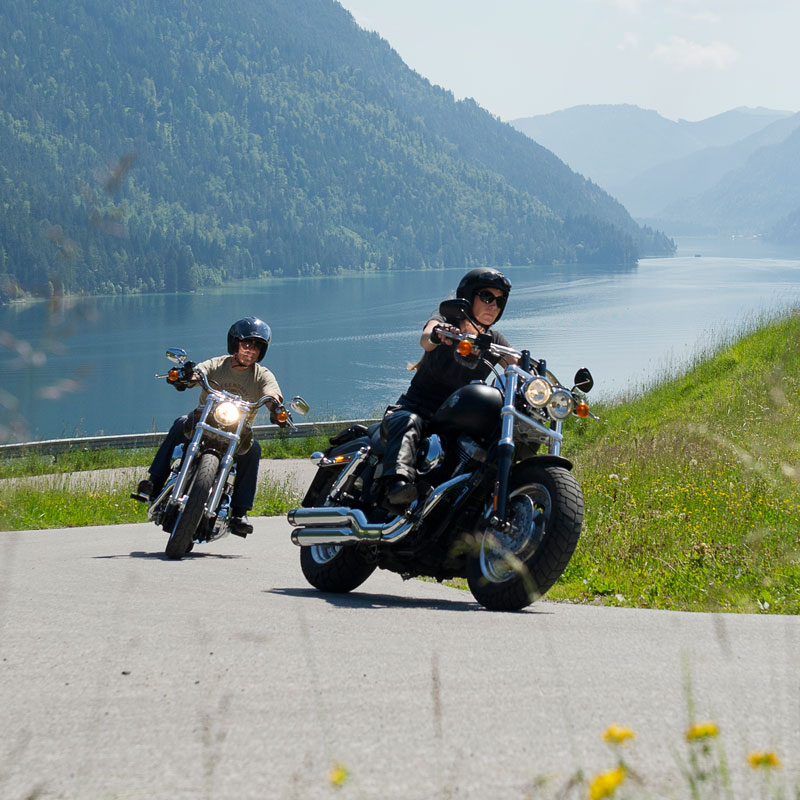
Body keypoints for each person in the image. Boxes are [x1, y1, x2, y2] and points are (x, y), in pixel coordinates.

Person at [379, 268, 515, 509]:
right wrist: (437, 335)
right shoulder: (445, 322)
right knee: (408, 420)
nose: (494, 305)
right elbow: (426, 338)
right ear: (468, 296)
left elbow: (517, 364)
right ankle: (396, 485)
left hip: (457, 420)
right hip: (418, 408)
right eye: (486, 297)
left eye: (499, 300)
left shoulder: (494, 341)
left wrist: (542, 381)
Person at [135, 316, 283, 536]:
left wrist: (275, 406)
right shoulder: (218, 364)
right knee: (180, 423)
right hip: (204, 421)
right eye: (247, 344)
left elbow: (272, 393)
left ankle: (239, 512)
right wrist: (188, 375)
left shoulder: (262, 374)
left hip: (238, 430)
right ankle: (153, 483)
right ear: (236, 344)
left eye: (256, 347)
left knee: (253, 449)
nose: (250, 350)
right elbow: (199, 372)